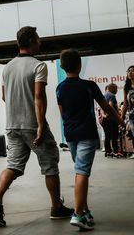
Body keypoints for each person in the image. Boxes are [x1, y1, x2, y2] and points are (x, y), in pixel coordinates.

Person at [0, 26, 73, 227]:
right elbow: (39, 96)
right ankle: (56, 207)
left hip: (12, 125)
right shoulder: (38, 66)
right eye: (38, 39)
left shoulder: (7, 67)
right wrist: (40, 125)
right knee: (50, 164)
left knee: (13, 165)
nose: (40, 42)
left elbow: (4, 96)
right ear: (32, 41)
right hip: (32, 125)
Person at [56, 49, 125, 230]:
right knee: (82, 171)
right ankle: (78, 214)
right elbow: (107, 109)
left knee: (80, 171)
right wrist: (121, 122)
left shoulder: (60, 88)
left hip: (71, 134)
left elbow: (62, 113)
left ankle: (84, 210)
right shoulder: (89, 85)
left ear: (62, 67)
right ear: (79, 65)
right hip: (86, 133)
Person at [101, 83, 121, 157]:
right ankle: (116, 152)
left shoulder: (105, 95)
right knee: (114, 136)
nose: (117, 90)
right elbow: (110, 106)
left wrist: (104, 115)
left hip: (106, 119)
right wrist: (117, 114)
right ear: (113, 88)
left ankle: (108, 151)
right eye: (116, 89)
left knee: (107, 136)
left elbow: (102, 107)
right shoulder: (112, 96)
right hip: (112, 119)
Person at [120, 65, 134, 158]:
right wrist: (121, 118)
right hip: (132, 116)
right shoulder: (127, 87)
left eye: (132, 71)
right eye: (128, 71)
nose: (130, 72)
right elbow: (125, 103)